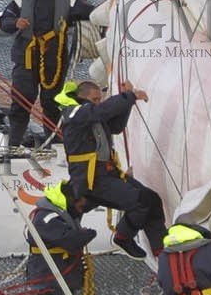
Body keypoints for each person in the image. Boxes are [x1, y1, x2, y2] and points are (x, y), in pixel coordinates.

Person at [56, 79, 167, 258]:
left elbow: (116, 126)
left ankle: (162, 253)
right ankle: (123, 237)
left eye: (100, 99)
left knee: (152, 199)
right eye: (95, 99)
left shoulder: (91, 114)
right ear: (82, 97)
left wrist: (127, 102)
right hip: (91, 180)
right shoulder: (74, 112)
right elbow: (100, 111)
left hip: (108, 174)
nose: (98, 102)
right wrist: (129, 96)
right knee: (141, 200)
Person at [0, 0, 95, 148]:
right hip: (26, 56)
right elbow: (4, 20)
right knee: (21, 101)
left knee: (52, 103)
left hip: (54, 57)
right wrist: (15, 23)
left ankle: (55, 145)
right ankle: (14, 145)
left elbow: (90, 11)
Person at [24, 181, 98, 295]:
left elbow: (86, 204)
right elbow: (70, 240)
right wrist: (88, 234)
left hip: (59, 281)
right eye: (80, 206)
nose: (81, 211)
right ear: (72, 200)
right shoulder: (47, 218)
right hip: (52, 283)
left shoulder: (62, 212)